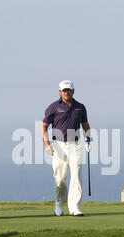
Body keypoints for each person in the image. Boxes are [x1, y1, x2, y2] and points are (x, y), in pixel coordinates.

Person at [42, 80, 91, 217]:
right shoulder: (53, 107)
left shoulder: (80, 107)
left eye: (68, 90)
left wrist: (88, 140)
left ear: (73, 91)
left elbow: (85, 125)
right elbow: (44, 126)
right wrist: (47, 145)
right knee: (60, 177)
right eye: (64, 90)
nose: (66, 92)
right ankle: (59, 204)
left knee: (76, 174)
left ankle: (75, 207)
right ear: (60, 92)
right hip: (58, 146)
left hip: (75, 145)